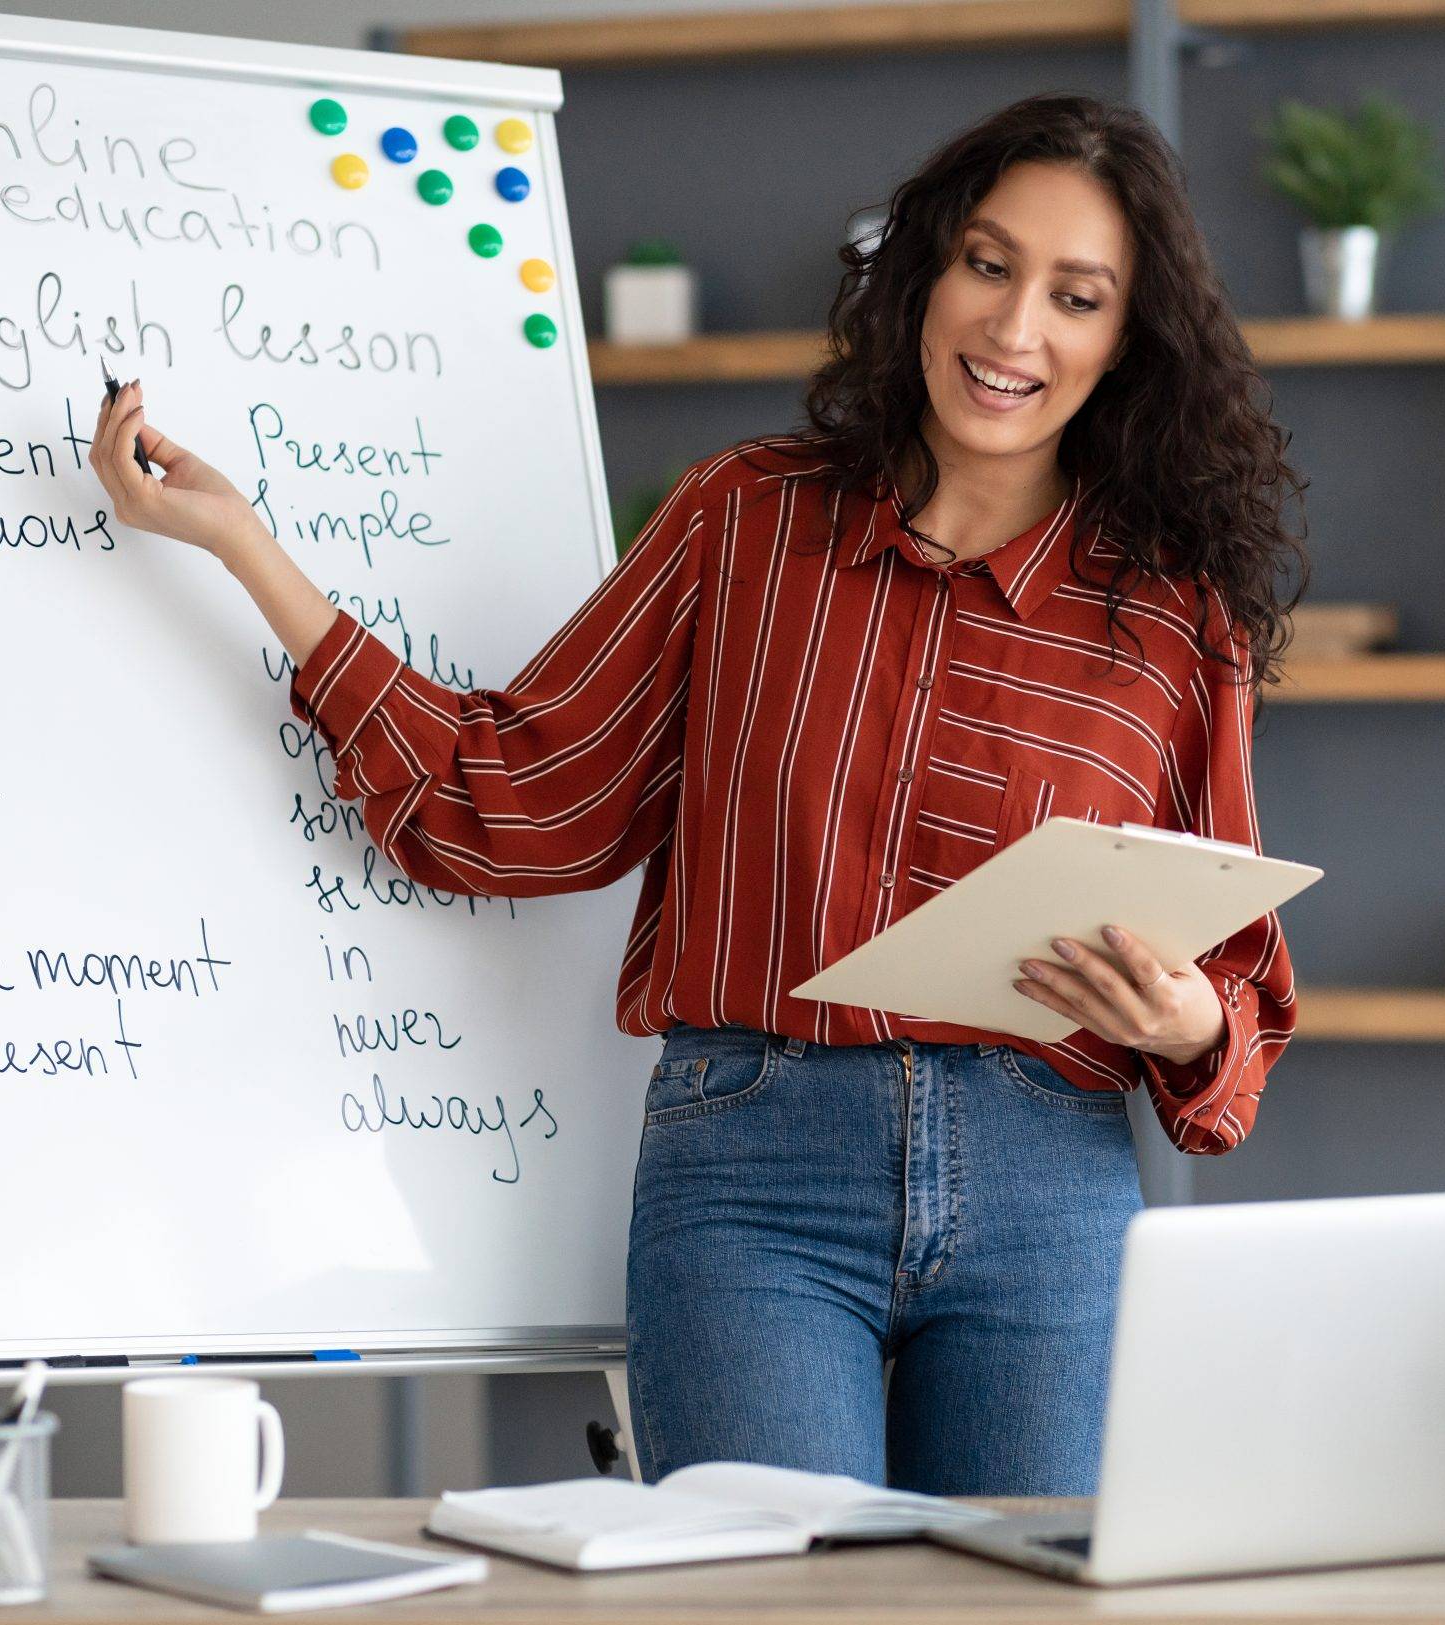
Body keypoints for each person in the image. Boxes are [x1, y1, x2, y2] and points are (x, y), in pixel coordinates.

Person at [87, 92, 1304, 1496]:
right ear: (924, 273)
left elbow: (1241, 994)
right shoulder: (744, 517)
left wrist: (1187, 1017)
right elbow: (514, 797)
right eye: (987, 264)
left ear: (1123, 342)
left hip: (1049, 1182)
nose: (1015, 329)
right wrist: (247, 552)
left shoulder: (1170, 617)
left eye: (1076, 296)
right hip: (755, 1175)